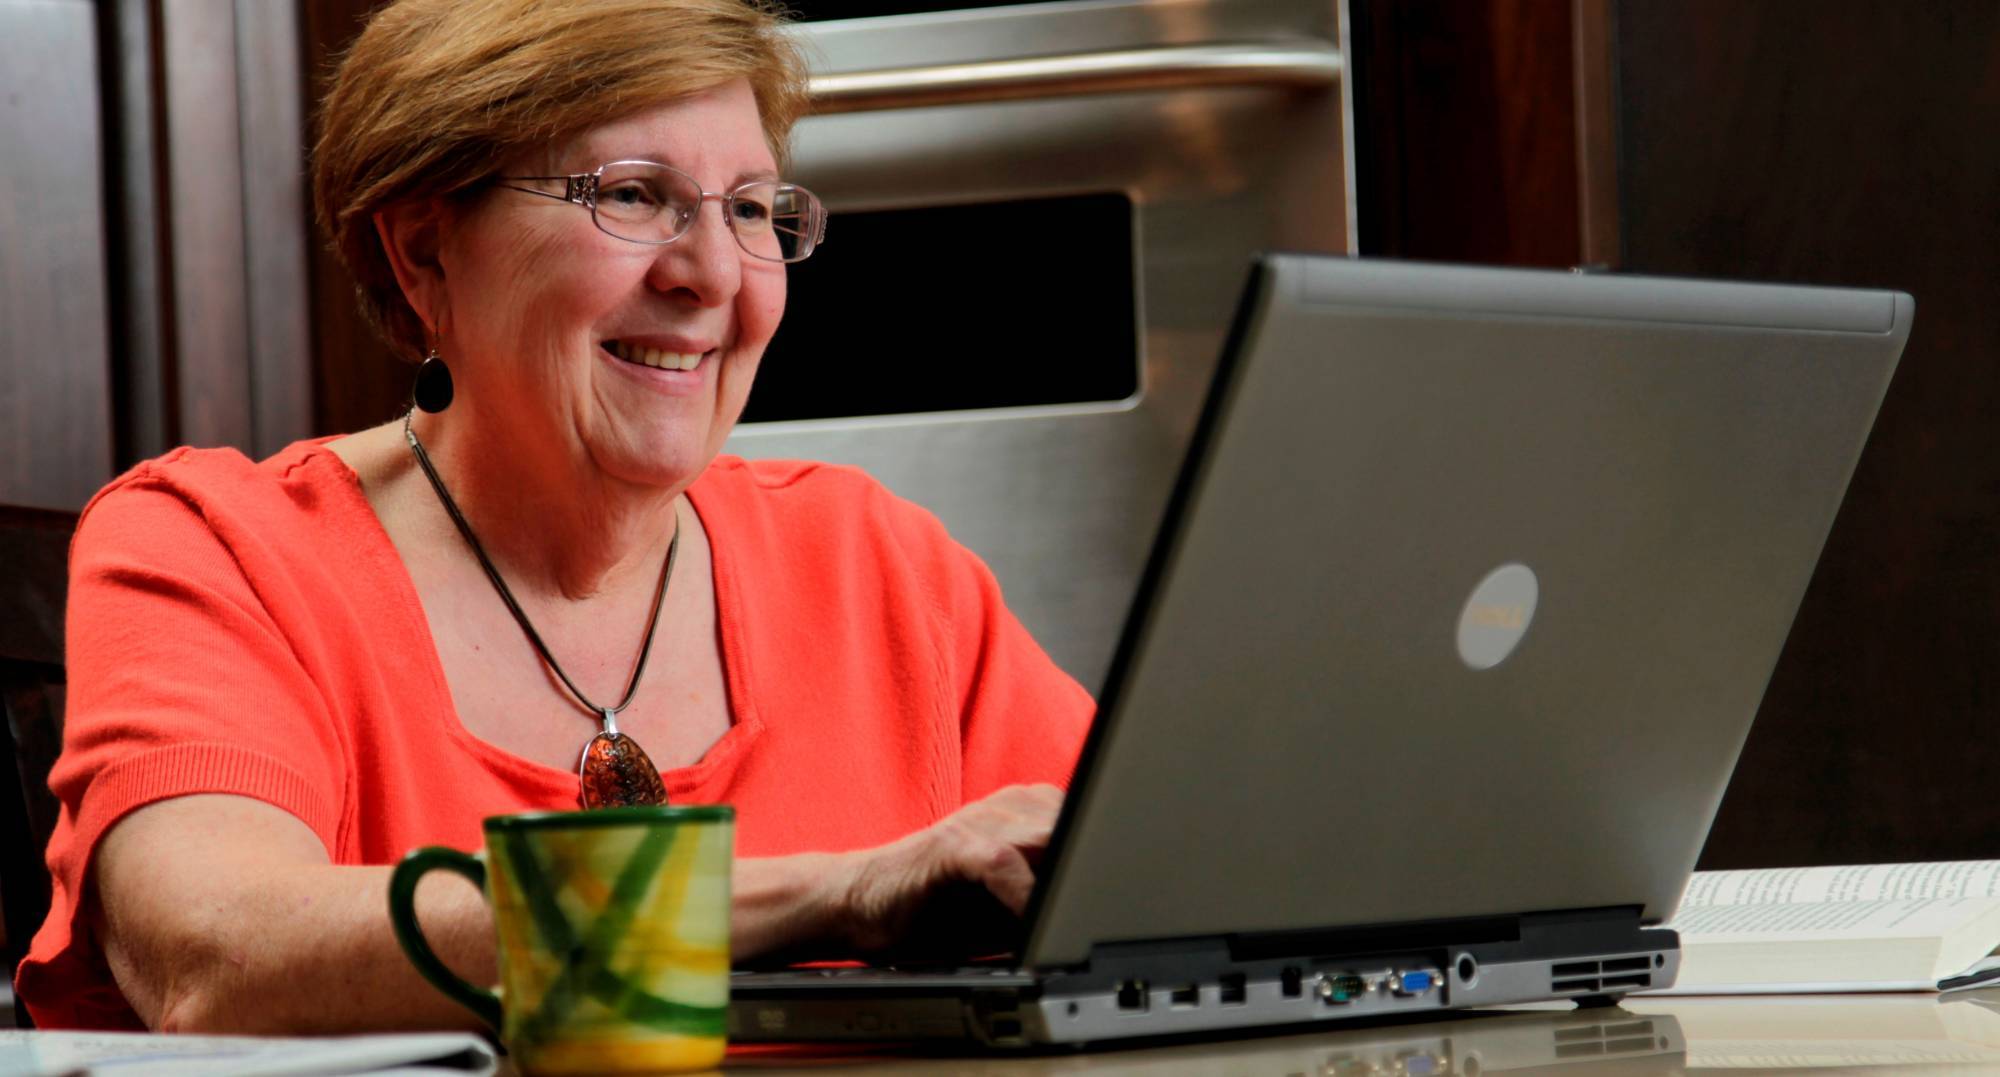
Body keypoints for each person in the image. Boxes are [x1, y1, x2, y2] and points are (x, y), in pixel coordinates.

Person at [16, 0, 1094, 1032]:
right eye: (632, 195)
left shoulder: (877, 564)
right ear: (423, 250)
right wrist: (838, 895)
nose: (713, 273)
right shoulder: (215, 549)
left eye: (749, 209)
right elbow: (220, 956)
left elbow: (1149, 877)